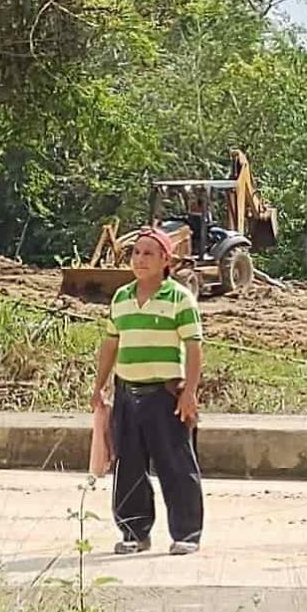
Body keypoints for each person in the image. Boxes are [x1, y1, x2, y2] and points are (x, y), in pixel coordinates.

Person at [91, 226, 204, 556]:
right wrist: (99, 386)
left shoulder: (179, 299)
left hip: (165, 394)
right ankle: (134, 533)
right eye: (136, 253)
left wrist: (189, 392)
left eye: (148, 253)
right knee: (128, 466)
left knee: (176, 465)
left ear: (165, 260)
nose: (140, 259)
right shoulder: (122, 298)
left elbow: (194, 348)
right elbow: (111, 343)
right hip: (127, 392)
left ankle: (187, 534)